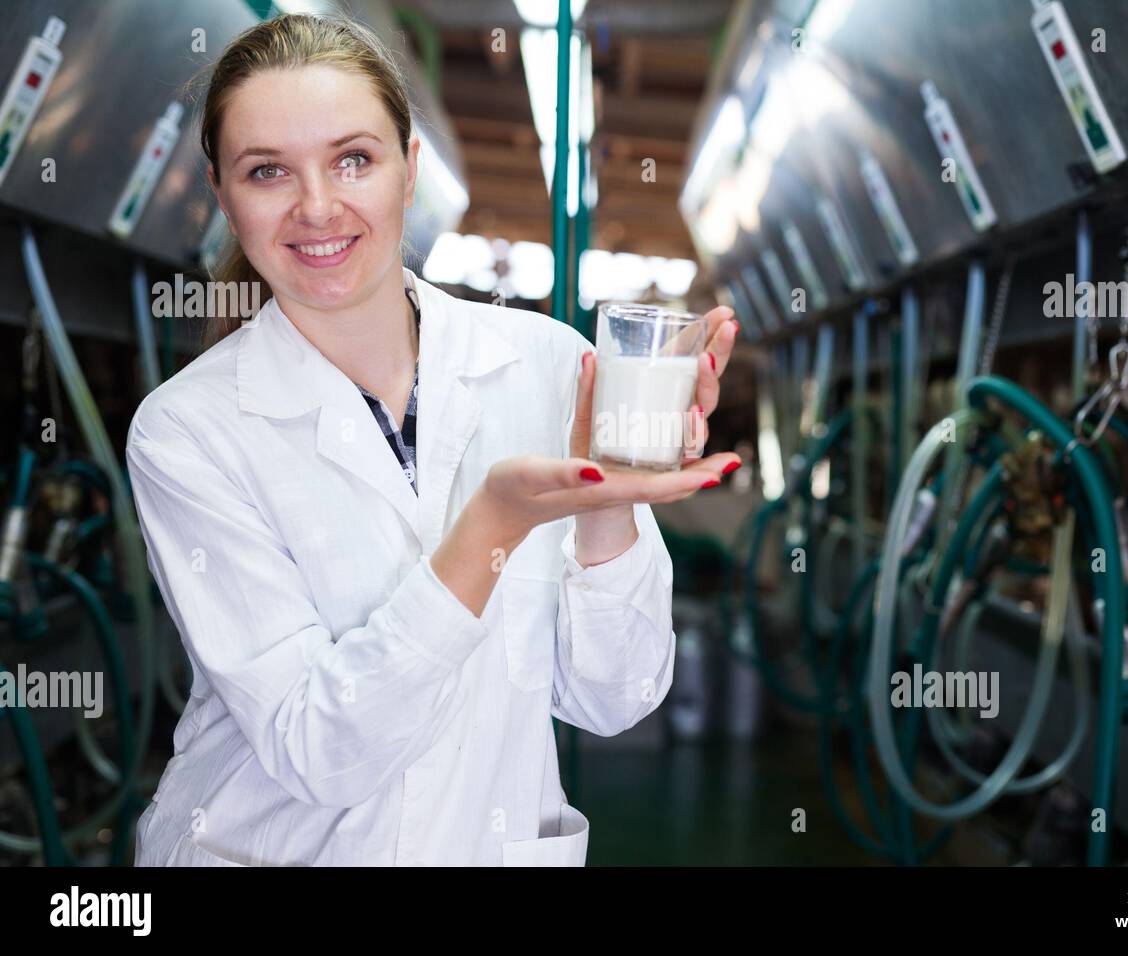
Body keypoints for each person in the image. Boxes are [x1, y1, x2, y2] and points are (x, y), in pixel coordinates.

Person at [127, 12, 740, 866]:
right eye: (267, 171)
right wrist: (492, 525)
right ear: (222, 195)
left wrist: (611, 506)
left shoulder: (551, 366)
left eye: (353, 159)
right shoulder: (188, 429)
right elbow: (319, 749)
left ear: (409, 171)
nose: (316, 206)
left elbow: (615, 699)